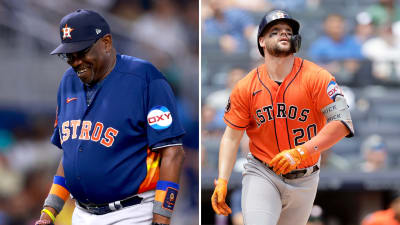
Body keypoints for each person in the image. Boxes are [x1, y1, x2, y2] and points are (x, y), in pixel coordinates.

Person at [34, 9, 185, 225]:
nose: (75, 62)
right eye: (69, 55)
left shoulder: (145, 78)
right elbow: (70, 153)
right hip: (81, 215)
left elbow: (172, 151)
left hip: (133, 212)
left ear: (106, 42)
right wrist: (49, 212)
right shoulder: (68, 81)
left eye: (81, 52)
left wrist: (161, 218)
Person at [211, 9, 354, 225]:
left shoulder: (317, 77)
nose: (284, 34)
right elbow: (231, 137)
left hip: (306, 176)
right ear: (261, 41)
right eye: (275, 31)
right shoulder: (245, 86)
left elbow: (342, 123)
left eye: (288, 31)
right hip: (263, 171)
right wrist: (222, 179)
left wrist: (300, 152)